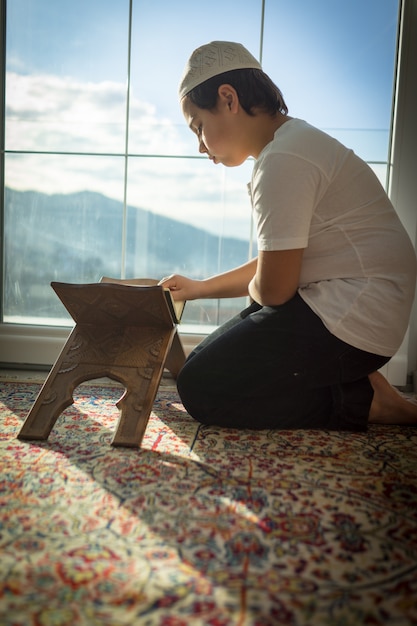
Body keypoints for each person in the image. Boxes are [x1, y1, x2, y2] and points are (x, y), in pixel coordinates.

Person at [160, 40, 417, 431]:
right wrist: (198, 288)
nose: (200, 146)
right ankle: (352, 382)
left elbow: (276, 289)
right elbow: (276, 265)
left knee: (201, 387)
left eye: (199, 126)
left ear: (228, 99)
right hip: (349, 305)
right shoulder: (290, 145)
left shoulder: (283, 159)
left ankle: (365, 400)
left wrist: (260, 303)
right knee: (200, 364)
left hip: (356, 316)